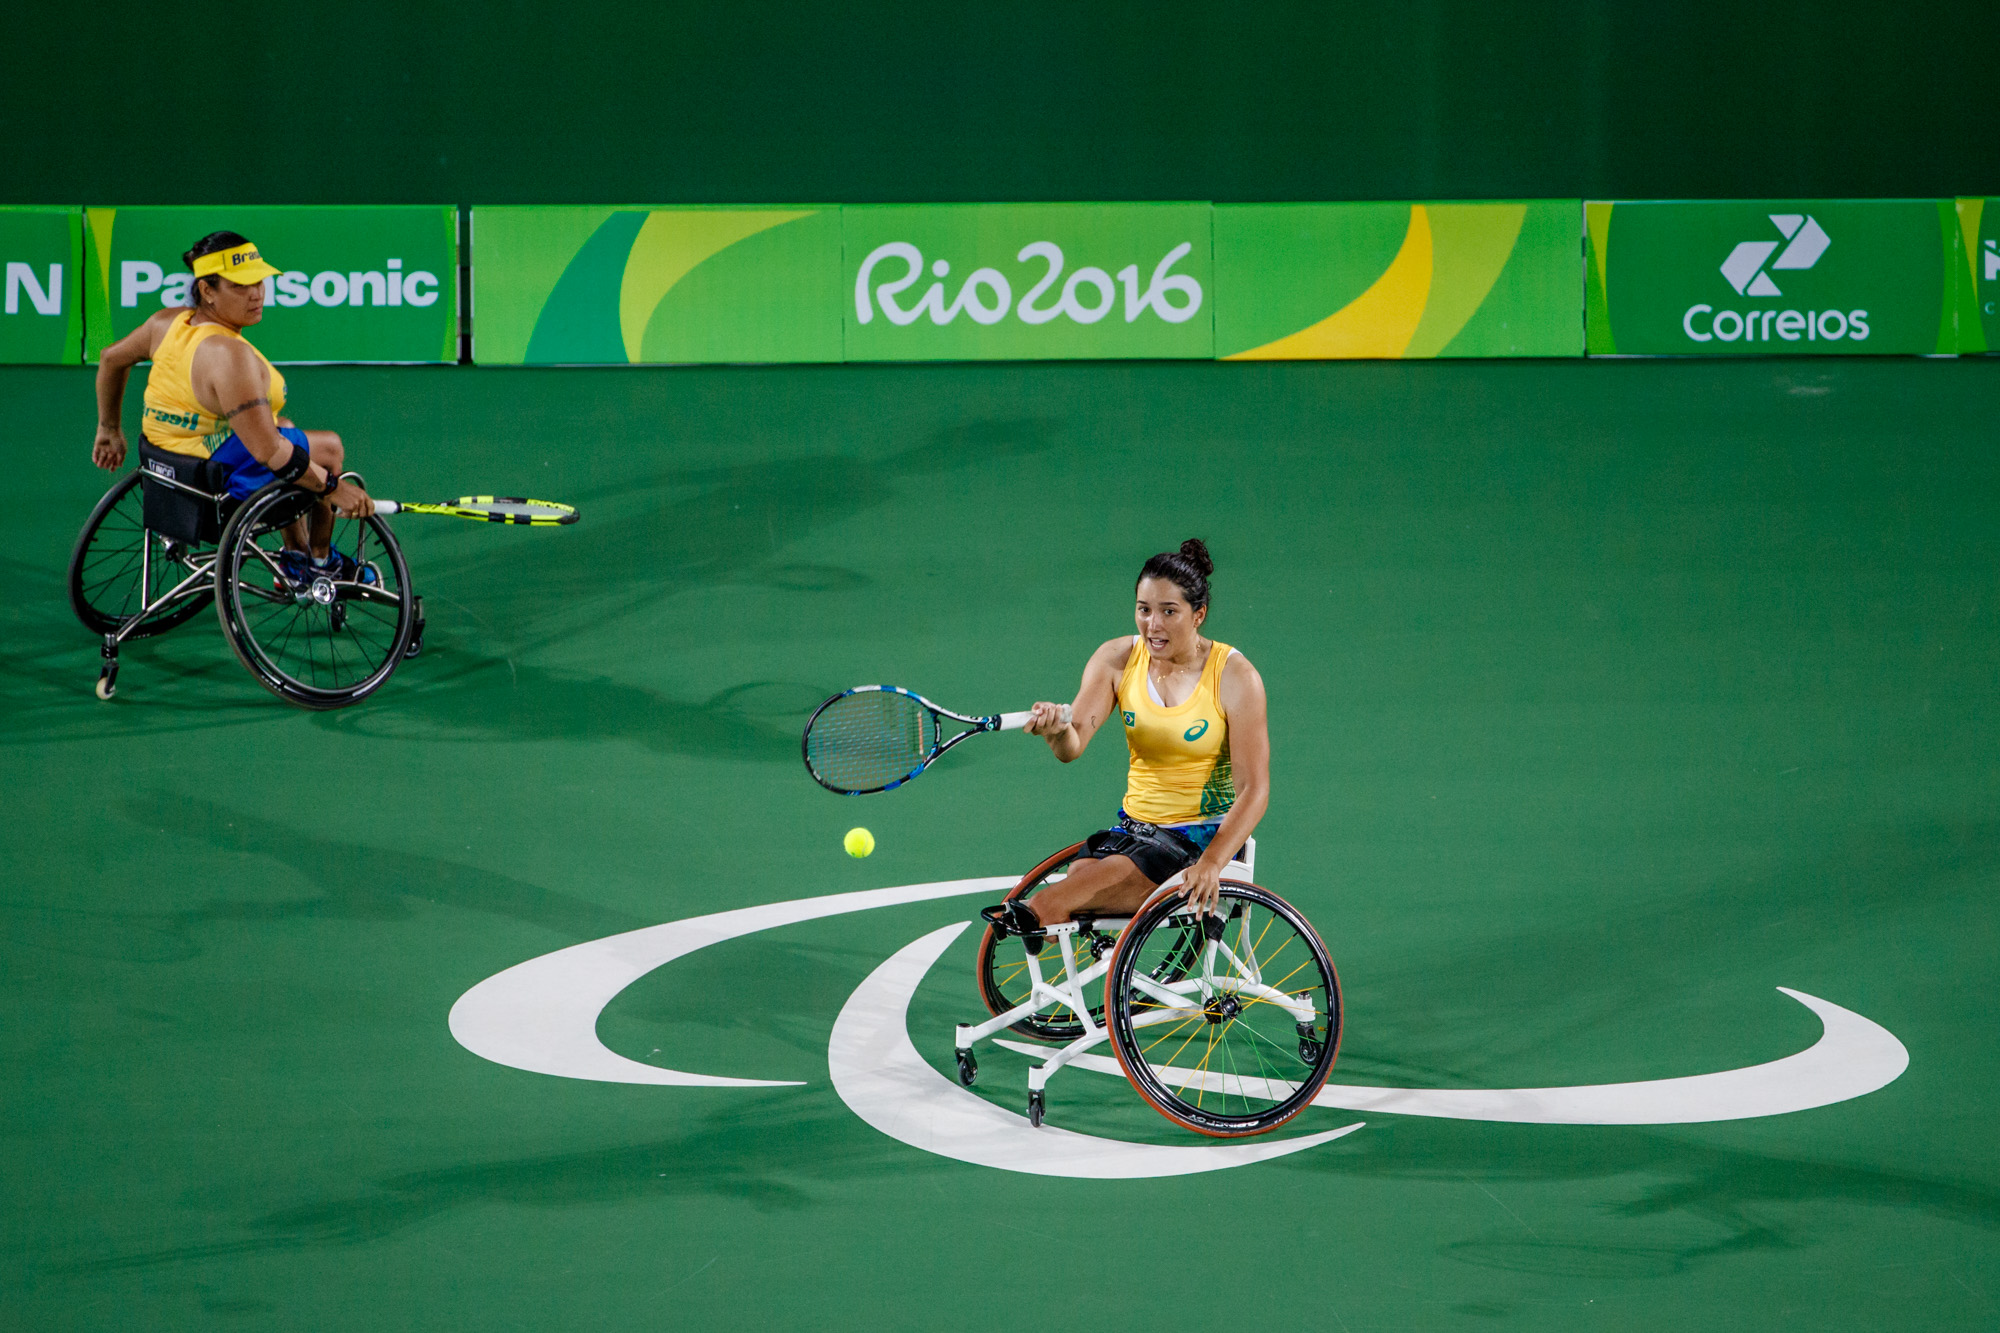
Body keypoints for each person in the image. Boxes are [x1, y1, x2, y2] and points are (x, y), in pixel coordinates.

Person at [986, 539, 1270, 954]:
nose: (1153, 625)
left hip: (1198, 839)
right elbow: (1073, 744)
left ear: (1198, 616)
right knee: (1076, 888)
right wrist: (1055, 730)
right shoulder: (1116, 659)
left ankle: (1042, 914)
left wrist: (1212, 863)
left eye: (1169, 612)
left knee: (1050, 903)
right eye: (1144, 609)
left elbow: (1255, 789)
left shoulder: (1236, 677)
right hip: (1133, 832)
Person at [90, 231, 374, 579]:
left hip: (166, 474)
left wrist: (109, 429)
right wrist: (336, 489)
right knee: (327, 449)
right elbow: (269, 453)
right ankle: (319, 561)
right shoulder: (229, 356)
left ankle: (295, 553)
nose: (256, 294)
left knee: (281, 425)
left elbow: (110, 359)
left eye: (259, 281)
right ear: (207, 290)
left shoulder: (166, 324)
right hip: (212, 492)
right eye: (239, 286)